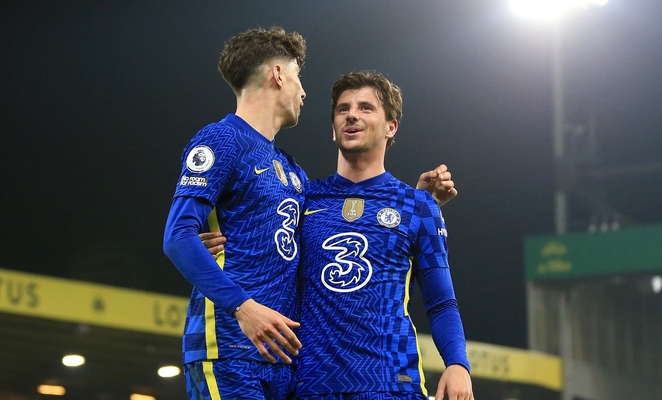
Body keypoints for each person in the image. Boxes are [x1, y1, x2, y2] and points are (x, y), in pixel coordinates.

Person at [164, 27, 457, 400]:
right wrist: (241, 304)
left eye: (365, 108)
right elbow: (177, 236)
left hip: (285, 359)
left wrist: (413, 206)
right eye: (299, 77)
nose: (303, 92)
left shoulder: (293, 174)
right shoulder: (221, 139)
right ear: (278, 74)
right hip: (229, 347)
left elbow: (358, 223)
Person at [293, 71, 473, 400]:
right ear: (333, 127)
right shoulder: (303, 199)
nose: (351, 114)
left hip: (390, 384)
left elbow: (441, 302)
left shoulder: (418, 206)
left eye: (365, 108)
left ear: (391, 127)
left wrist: (457, 364)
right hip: (312, 385)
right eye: (342, 108)